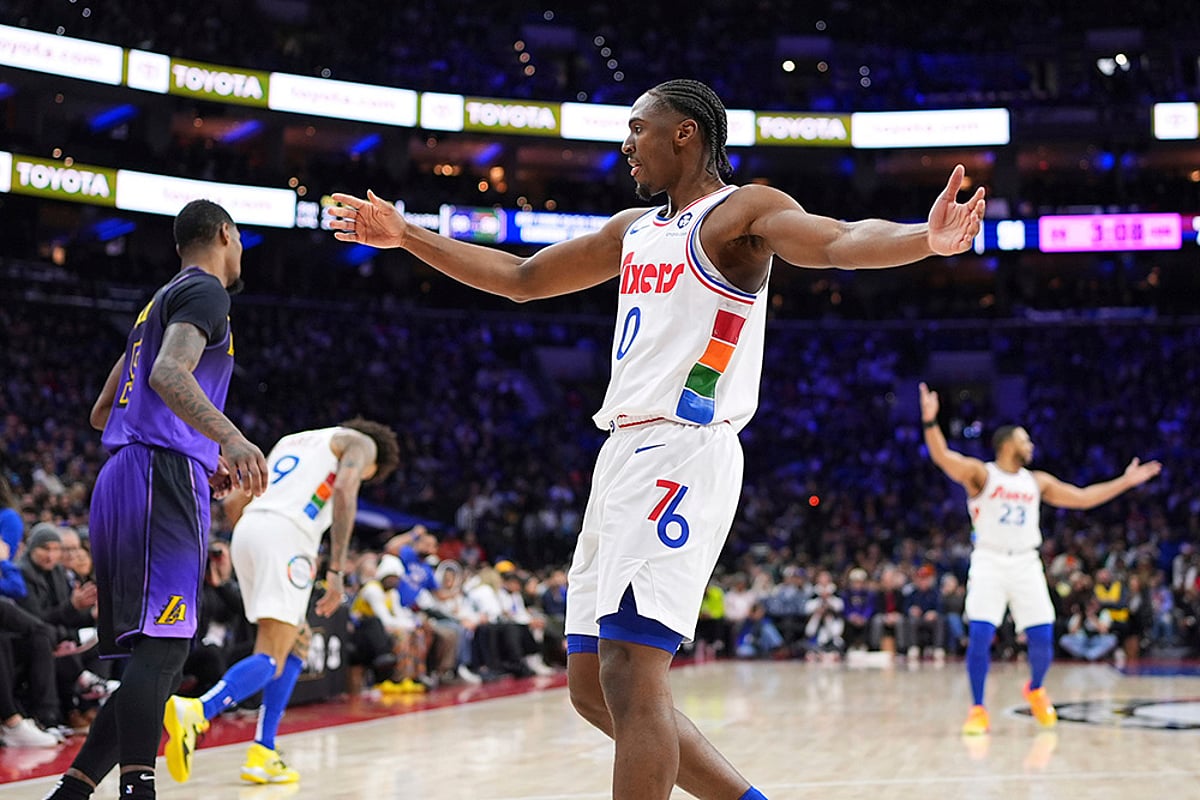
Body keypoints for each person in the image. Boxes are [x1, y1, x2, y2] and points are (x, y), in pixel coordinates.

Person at [329, 78, 985, 800]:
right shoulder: (633, 230)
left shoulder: (743, 212)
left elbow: (837, 241)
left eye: (638, 128)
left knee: (631, 674)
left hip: (684, 446)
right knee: (590, 686)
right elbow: (520, 278)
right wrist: (406, 235)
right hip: (620, 453)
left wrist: (927, 239)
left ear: (685, 133)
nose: (625, 143)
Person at [42, 199, 268, 800]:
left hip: (124, 477)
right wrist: (229, 438)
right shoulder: (206, 293)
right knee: (166, 645)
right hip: (157, 479)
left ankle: (74, 789)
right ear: (224, 233)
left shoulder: (153, 305)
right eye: (240, 240)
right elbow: (170, 374)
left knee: (156, 652)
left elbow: (101, 411)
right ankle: (138, 790)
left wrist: (199, 451)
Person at [163, 419, 399, 785]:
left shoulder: (293, 439)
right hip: (289, 538)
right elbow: (345, 494)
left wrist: (259, 539)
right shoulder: (360, 443)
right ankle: (198, 710)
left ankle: (263, 751)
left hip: (250, 529)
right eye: (370, 475)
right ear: (376, 461)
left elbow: (238, 500)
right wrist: (335, 570)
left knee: (295, 646)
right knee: (274, 654)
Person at [919, 381, 1162, 736]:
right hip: (989, 560)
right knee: (982, 634)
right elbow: (943, 457)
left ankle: (1035, 688)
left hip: (1026, 562)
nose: (1030, 444)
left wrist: (1124, 482)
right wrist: (930, 422)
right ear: (1006, 444)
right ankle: (978, 709)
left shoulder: (1038, 482)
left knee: (1042, 635)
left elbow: (1082, 497)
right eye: (1024, 438)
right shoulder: (982, 475)